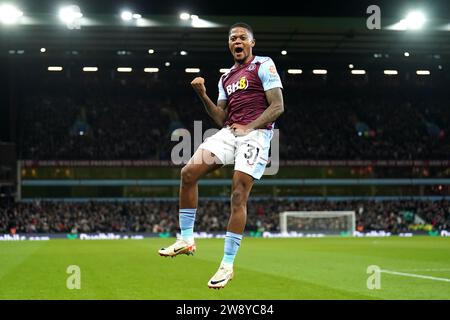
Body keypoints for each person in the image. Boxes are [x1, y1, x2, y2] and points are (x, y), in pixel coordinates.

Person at [158, 22, 284, 289]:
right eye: (232, 38)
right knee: (188, 173)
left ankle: (227, 265)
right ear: (229, 45)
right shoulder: (225, 77)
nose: (237, 41)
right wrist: (202, 94)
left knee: (238, 194)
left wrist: (249, 127)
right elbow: (220, 117)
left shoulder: (264, 64)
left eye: (242, 38)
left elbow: (278, 106)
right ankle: (186, 239)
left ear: (251, 42)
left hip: (256, 133)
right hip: (230, 131)